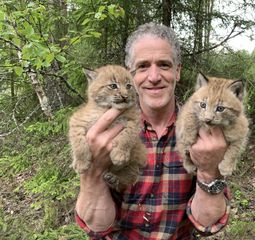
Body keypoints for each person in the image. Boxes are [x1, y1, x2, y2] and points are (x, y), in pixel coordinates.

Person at [75, 22, 231, 240]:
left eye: (164, 65)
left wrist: (208, 170)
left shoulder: (203, 131)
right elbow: (98, 227)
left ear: (177, 71)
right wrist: (93, 170)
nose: (154, 76)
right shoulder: (104, 130)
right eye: (143, 66)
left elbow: (207, 223)